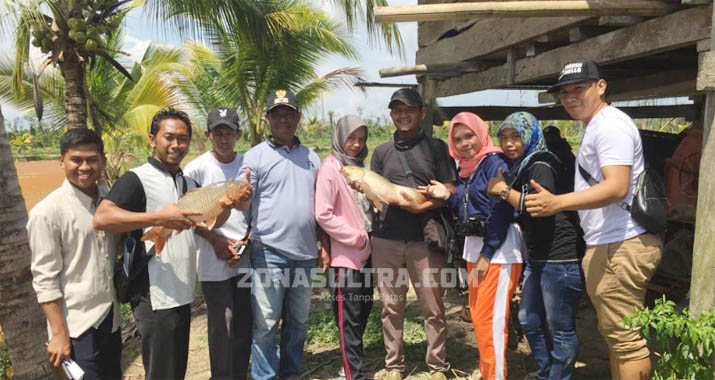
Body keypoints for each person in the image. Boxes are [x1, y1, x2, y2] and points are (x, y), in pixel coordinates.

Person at [524, 60, 663, 380]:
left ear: (601, 87)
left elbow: (616, 186)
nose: (571, 97)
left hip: (621, 242)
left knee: (625, 340)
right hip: (610, 242)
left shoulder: (610, 126)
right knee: (616, 337)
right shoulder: (599, 125)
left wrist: (557, 202)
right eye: (565, 93)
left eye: (579, 89)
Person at [93, 108, 241, 380]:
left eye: (183, 139)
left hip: (181, 288)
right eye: (169, 137)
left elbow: (209, 223)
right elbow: (102, 217)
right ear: (152, 139)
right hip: (153, 290)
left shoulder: (188, 183)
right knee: (161, 370)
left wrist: (227, 207)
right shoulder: (137, 179)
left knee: (176, 369)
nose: (176, 145)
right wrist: (161, 217)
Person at [420, 112, 523, 380]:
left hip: (497, 252)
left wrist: (487, 254)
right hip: (475, 250)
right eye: (458, 139)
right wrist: (447, 196)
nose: (465, 143)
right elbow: (469, 208)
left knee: (492, 322)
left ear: (481, 133)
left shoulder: (494, 162)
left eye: (469, 136)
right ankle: (489, 372)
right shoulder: (467, 168)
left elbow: (500, 211)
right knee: (478, 319)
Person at [487, 112, 585, 380]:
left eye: (515, 136)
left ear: (529, 135)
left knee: (560, 328)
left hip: (559, 257)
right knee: (529, 319)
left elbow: (538, 208)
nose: (509, 144)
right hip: (538, 256)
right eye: (504, 138)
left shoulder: (541, 163)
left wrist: (503, 190)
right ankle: (545, 373)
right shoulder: (525, 164)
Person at [369, 88, 456, 380]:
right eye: (396, 110)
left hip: (425, 238)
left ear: (421, 113)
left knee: (433, 305)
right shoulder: (380, 153)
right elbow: (376, 194)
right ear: (391, 114)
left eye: (408, 110)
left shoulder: (438, 148)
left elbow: (450, 189)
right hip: (387, 238)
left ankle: (437, 366)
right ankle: (394, 365)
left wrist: (424, 206)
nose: (402, 115)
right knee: (391, 306)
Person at [237, 89, 324, 380]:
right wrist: (240, 198)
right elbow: (243, 200)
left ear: (298, 118)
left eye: (289, 113)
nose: (283, 119)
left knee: (298, 322)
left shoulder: (311, 157)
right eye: (277, 114)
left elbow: (321, 204)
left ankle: (290, 373)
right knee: (266, 323)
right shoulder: (254, 157)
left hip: (306, 254)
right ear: (267, 119)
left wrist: (323, 244)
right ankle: (265, 377)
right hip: (269, 251)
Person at [28, 128, 122, 379]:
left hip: (110, 321)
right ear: (61, 161)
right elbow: (44, 279)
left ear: (102, 161)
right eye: (76, 160)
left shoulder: (110, 203)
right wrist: (59, 335)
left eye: (92, 159)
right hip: (77, 328)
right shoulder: (47, 213)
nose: (85, 167)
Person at [184, 107, 251, 380]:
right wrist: (216, 240)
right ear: (208, 135)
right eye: (218, 133)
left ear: (239, 134)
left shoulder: (248, 164)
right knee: (221, 322)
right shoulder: (196, 168)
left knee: (244, 320)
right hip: (212, 256)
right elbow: (187, 214)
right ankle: (221, 376)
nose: (224, 139)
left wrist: (246, 243)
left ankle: (240, 373)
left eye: (229, 133)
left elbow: (256, 210)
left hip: (245, 253)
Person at [315, 115, 374, 380]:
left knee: (363, 310)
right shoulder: (331, 168)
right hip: (344, 257)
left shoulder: (358, 167)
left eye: (361, 139)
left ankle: (351, 366)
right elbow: (323, 214)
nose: (356, 144)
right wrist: (356, 237)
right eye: (351, 138)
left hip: (364, 255)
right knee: (348, 318)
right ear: (340, 137)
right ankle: (353, 374)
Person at [542, 125, 576, 190]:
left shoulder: (565, 152)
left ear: (557, 137)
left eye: (551, 137)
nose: (548, 139)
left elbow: (572, 171)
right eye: (546, 137)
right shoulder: (543, 150)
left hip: (564, 188)